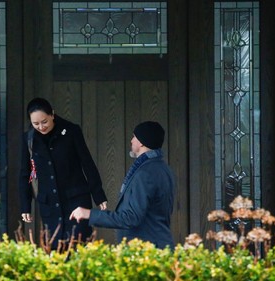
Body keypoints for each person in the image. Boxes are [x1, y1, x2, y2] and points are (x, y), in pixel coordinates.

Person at [19, 97, 107, 250]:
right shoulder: (29, 139)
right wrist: (26, 205)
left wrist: (98, 194)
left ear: (52, 114)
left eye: (44, 121)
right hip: (50, 205)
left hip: (76, 201)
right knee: (54, 250)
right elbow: (24, 174)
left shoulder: (71, 131)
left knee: (79, 246)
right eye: (36, 123)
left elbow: (87, 163)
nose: (41, 126)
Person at [70, 121, 175, 249]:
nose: (131, 141)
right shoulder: (163, 168)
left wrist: (89, 214)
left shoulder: (145, 173)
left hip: (147, 252)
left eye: (134, 137)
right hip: (158, 247)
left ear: (141, 142)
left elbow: (130, 218)